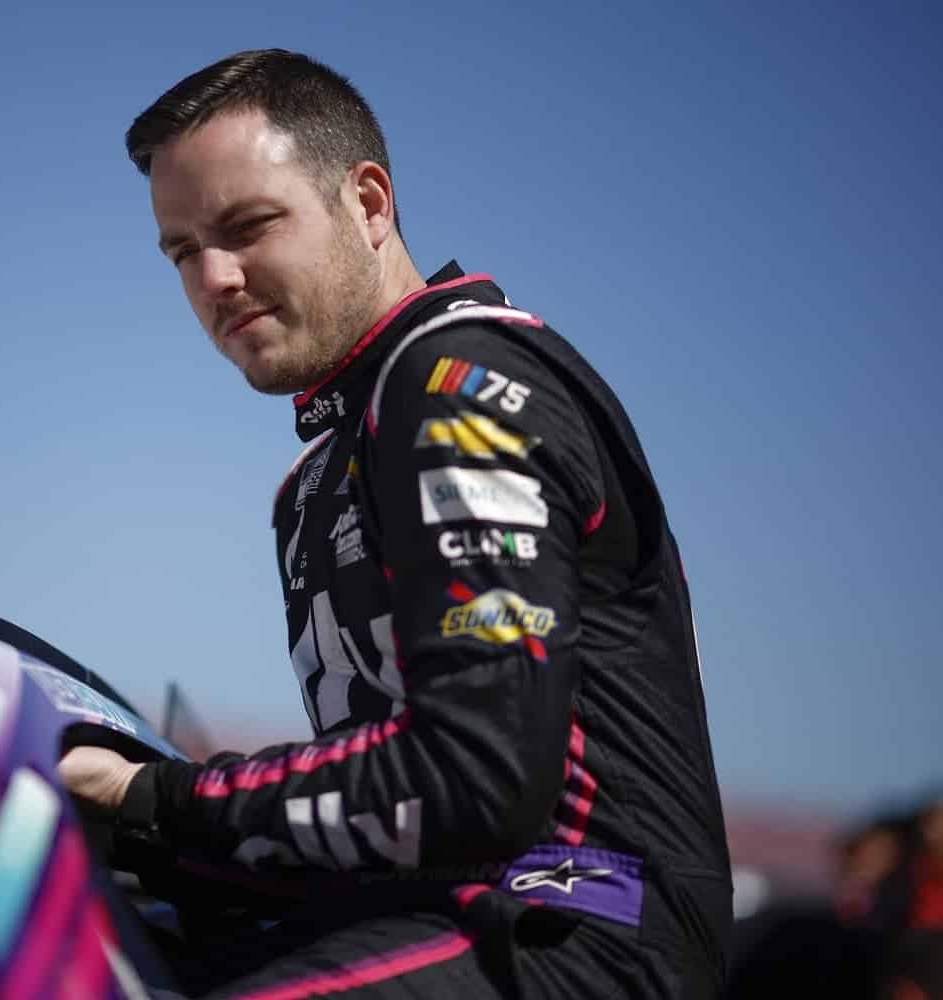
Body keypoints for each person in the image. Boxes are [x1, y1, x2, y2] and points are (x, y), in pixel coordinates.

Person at [60, 48, 732, 997]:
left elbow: (476, 779)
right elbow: (400, 829)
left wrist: (151, 796)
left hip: (585, 926)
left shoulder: (454, 380)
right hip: (448, 909)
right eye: (181, 252)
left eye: (248, 227)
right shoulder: (324, 469)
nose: (214, 278)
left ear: (370, 205)